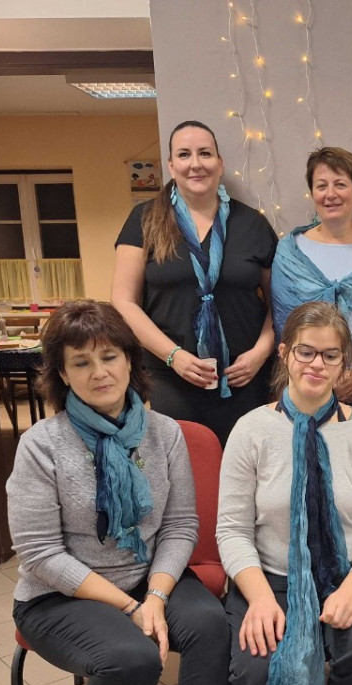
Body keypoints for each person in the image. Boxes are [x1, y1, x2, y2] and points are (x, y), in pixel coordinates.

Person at [7, 301, 230, 685]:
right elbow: (40, 554)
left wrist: (155, 596)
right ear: (61, 374)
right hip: (59, 595)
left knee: (210, 626)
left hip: (147, 577)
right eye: (81, 362)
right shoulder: (41, 445)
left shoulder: (164, 434)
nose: (99, 372)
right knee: (134, 658)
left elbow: (180, 526)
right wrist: (130, 607)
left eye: (109, 356)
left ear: (131, 361)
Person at [218, 301, 352, 685]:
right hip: (274, 577)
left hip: (351, 572)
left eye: (330, 355)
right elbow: (232, 530)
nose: (316, 364)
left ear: (343, 363)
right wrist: (260, 598)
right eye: (306, 351)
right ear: (284, 354)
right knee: (257, 667)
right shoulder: (251, 430)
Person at [111, 119, 278, 447]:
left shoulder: (252, 223)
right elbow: (123, 301)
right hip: (170, 377)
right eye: (184, 155)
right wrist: (173, 356)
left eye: (205, 153)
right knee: (184, 468)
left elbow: (280, 304)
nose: (196, 163)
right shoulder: (144, 220)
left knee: (245, 470)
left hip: (244, 378)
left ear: (220, 163)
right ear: (171, 165)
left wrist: (260, 353)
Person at [271, 147, 352, 437]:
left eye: (340, 184)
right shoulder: (290, 251)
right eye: (321, 186)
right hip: (307, 386)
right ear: (312, 193)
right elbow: (285, 324)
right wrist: (327, 380)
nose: (330, 194)